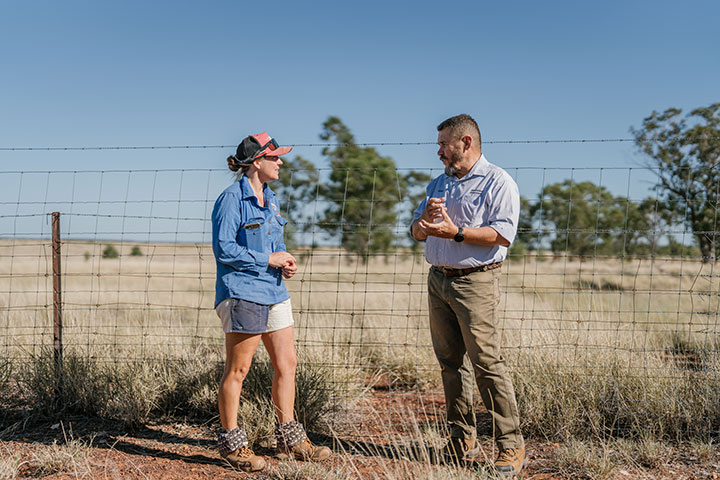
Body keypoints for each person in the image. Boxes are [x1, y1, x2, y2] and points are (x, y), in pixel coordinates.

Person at [410, 114, 526, 476]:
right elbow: (415, 232)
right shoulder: (437, 185)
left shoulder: (498, 181)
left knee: (486, 364)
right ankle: (461, 440)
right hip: (438, 281)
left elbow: (502, 235)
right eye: (439, 144)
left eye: (444, 143)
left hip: (475, 282)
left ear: (466, 143)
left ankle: (510, 445)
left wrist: (455, 232)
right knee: (450, 364)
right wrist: (425, 223)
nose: (439, 151)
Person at [212, 132, 331, 472]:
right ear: (256, 162)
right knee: (238, 370)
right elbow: (224, 249)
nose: (280, 162)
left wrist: (284, 264)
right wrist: (268, 260)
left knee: (287, 364)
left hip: (274, 292)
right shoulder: (231, 200)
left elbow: (272, 249)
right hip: (243, 293)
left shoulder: (272, 198)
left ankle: (290, 439)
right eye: (274, 157)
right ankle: (232, 444)